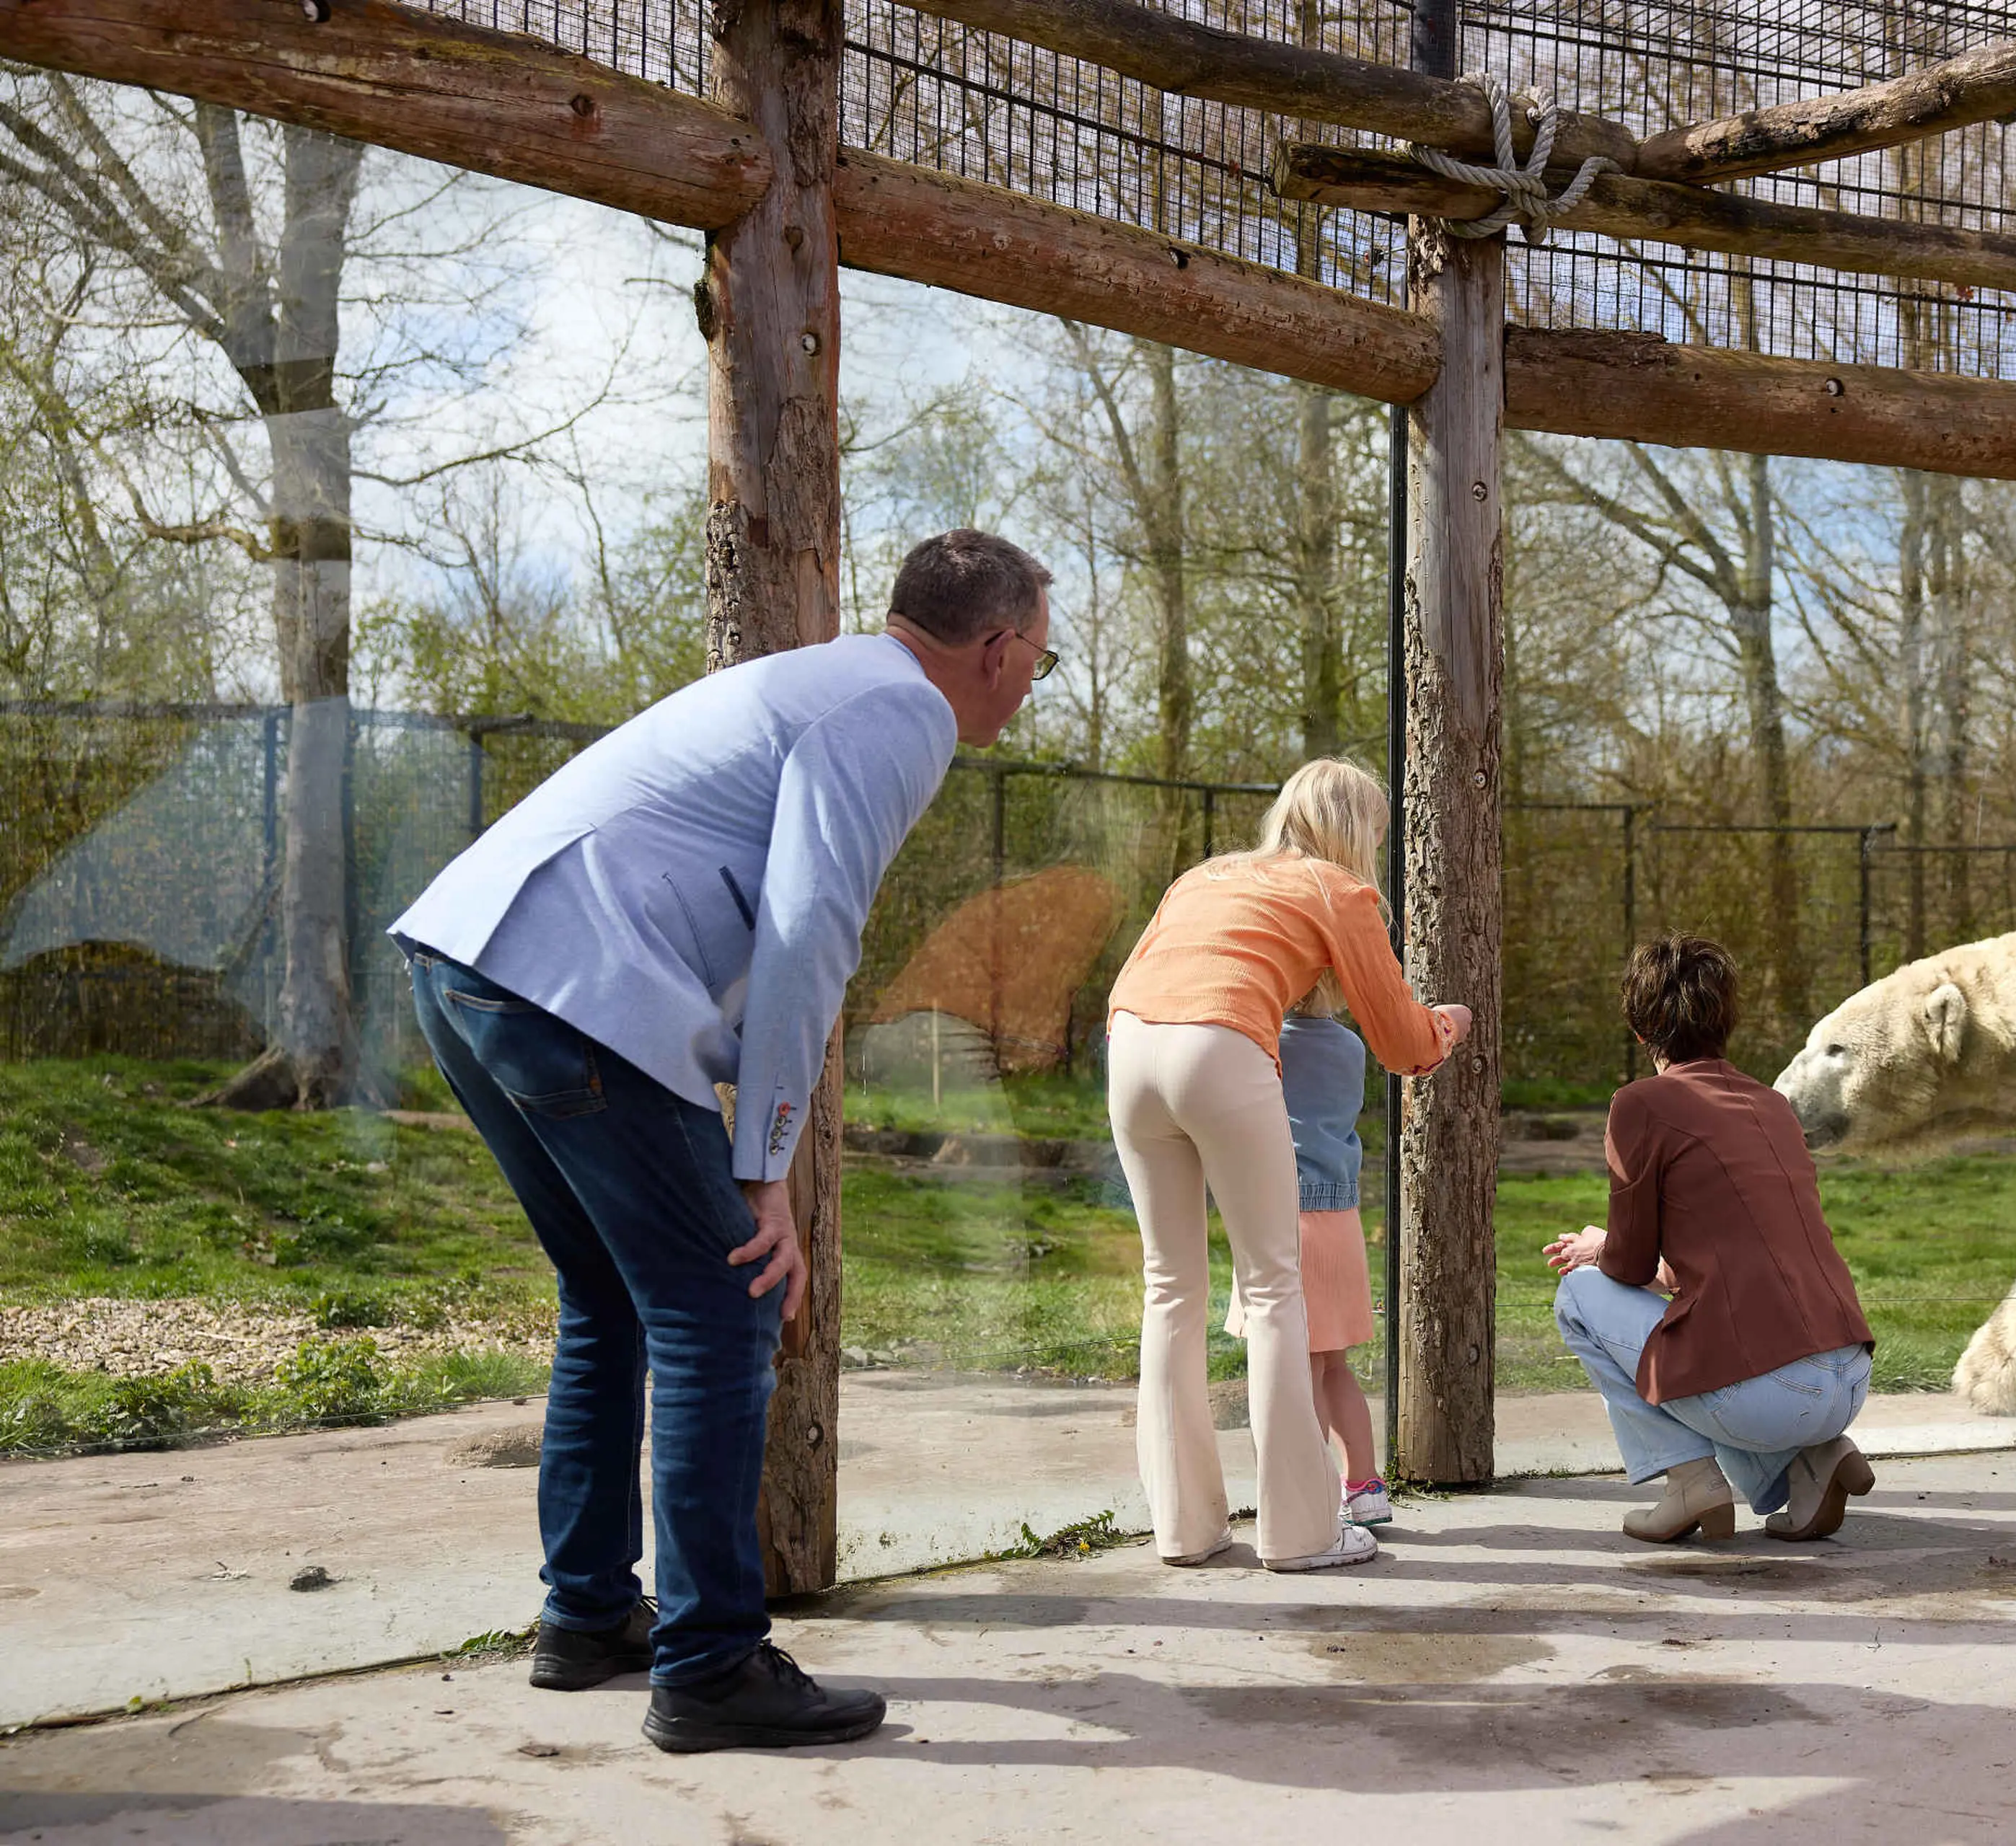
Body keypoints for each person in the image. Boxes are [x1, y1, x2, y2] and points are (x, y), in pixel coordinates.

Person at [390, 529, 1055, 1752]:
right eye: (1042, 665)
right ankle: (708, 1666)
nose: (1031, 685)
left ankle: (587, 1616)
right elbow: (810, 938)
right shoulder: (901, 711)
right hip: (571, 979)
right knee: (723, 1303)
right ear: (998, 648)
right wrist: (768, 1171)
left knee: (612, 1294)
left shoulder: (833, 679)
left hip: (470, 958)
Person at [1106, 759, 1468, 1572]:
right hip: (1221, 1043)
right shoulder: (1340, 891)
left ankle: (1186, 1528)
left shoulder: (1208, 874)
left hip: (1128, 1042)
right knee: (1273, 1288)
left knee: (1170, 1288)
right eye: (1375, 833)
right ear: (1358, 834)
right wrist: (1447, 1026)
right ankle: (1303, 1532)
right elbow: (1403, 1042)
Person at [1545, 935, 1878, 1544]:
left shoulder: (1641, 1104)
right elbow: (1711, 1267)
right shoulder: (1772, 1104)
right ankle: (1813, 1461)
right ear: (1727, 1019)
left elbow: (1628, 1263)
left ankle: (1690, 1483)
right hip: (1850, 1377)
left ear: (1641, 1029)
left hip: (1775, 1394)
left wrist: (1599, 1246)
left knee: (1580, 1297)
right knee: (1713, 1349)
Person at [1225, 1005, 1388, 1527]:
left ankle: (1313, 1498)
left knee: (1304, 1370)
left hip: (1287, 1216)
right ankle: (1365, 1487)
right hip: (1340, 1217)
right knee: (1334, 1366)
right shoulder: (1350, 1046)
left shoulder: (1266, 1039)